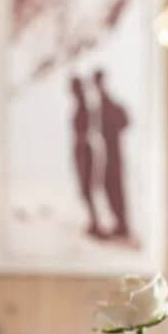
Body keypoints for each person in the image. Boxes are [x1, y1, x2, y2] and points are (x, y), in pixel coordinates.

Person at [93, 69, 131, 239]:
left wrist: (112, 134)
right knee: (111, 188)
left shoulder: (107, 104)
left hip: (113, 155)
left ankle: (122, 225)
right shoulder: (101, 104)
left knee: (115, 189)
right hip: (108, 154)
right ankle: (120, 223)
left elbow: (124, 121)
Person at [68, 76, 102, 238]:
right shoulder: (82, 104)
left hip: (84, 150)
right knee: (85, 190)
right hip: (82, 149)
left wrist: (81, 150)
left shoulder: (83, 106)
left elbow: (85, 130)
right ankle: (94, 222)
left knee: (86, 189)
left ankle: (95, 223)